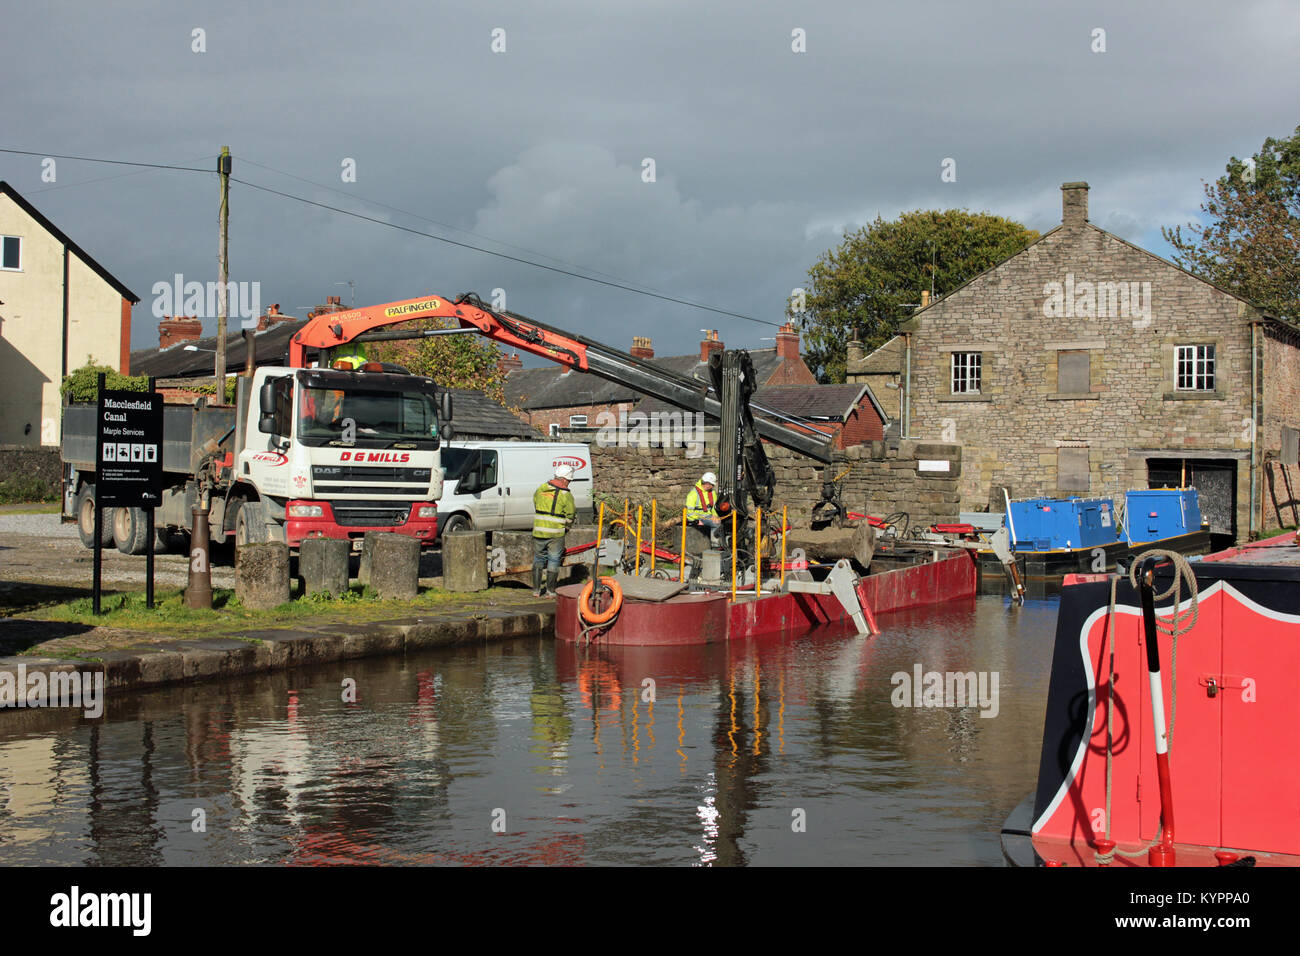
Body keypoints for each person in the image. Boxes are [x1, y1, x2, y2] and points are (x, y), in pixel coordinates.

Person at [532, 465, 576, 597]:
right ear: (563, 479)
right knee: (554, 560)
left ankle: (536, 590)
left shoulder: (540, 489)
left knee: (538, 559)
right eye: (569, 481)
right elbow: (571, 514)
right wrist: (566, 527)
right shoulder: (565, 494)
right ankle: (550, 592)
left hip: (539, 532)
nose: (569, 483)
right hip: (556, 534)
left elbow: (535, 502)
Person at [686, 472, 722, 537]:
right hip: (697, 518)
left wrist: (715, 516)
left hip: (707, 516)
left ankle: (715, 542)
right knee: (716, 525)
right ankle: (714, 544)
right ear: (707, 484)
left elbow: (713, 507)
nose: (713, 487)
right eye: (712, 485)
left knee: (719, 522)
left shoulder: (712, 493)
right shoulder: (693, 494)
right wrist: (696, 521)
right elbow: (689, 511)